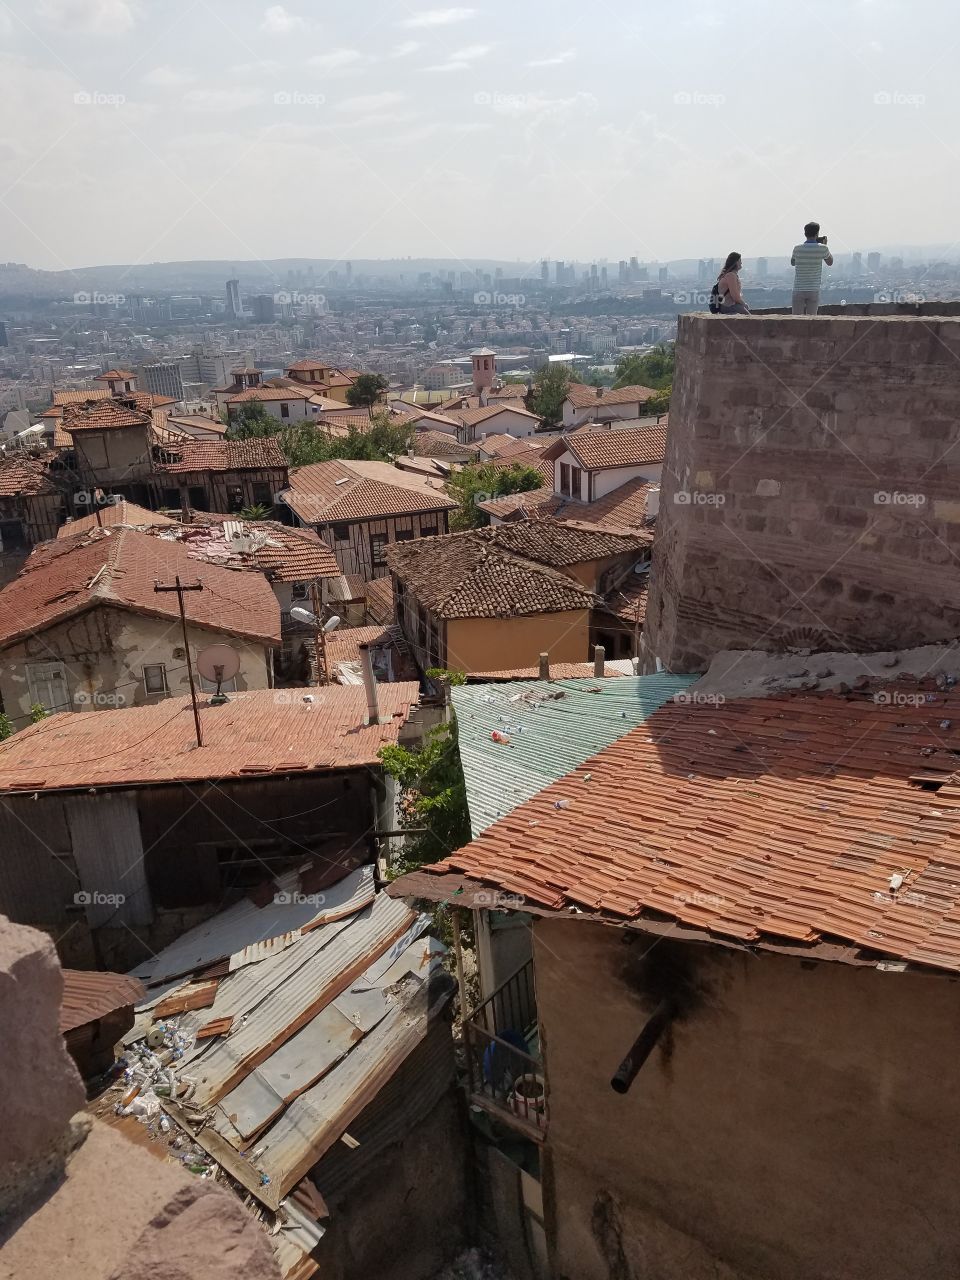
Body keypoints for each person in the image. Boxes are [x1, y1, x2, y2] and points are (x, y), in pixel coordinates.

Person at [790, 222, 833, 314]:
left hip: (798, 288)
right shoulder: (823, 248)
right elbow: (830, 262)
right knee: (812, 319)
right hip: (814, 289)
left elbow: (792, 263)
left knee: (796, 320)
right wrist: (825, 246)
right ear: (817, 233)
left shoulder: (797, 248)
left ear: (805, 234)